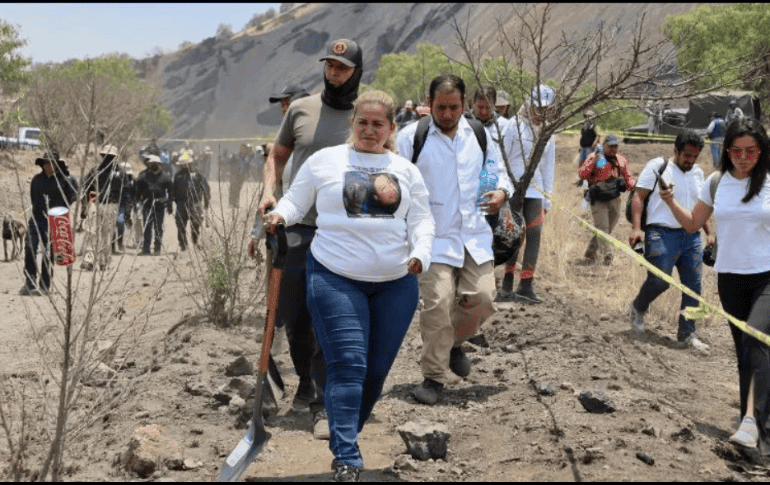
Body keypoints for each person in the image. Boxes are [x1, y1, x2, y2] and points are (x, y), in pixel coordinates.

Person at [264, 89, 434, 483]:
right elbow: (296, 201)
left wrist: (421, 252)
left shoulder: (406, 170)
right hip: (335, 276)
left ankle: (345, 432)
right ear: (352, 123)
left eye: (378, 124)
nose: (369, 130)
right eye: (363, 123)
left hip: (396, 284)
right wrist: (279, 216)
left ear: (391, 128)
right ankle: (346, 458)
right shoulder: (325, 161)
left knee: (375, 373)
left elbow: (422, 220)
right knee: (348, 363)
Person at [258, 38, 365, 440]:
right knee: (295, 315)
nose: (334, 73)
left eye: (343, 67)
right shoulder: (301, 109)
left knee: (328, 316)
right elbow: (277, 155)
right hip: (297, 225)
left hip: (343, 230)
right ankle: (305, 379)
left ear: (356, 72)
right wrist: (269, 191)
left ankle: (323, 401)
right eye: (330, 66)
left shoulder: (365, 114)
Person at [397, 73, 513, 405]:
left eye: (454, 107)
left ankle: (453, 344)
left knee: (484, 299)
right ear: (429, 103)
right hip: (431, 238)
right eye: (441, 107)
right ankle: (433, 377)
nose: (447, 114)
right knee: (437, 303)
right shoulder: (412, 138)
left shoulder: (477, 134)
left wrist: (499, 192)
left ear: (464, 105)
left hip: (473, 234)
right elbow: (397, 181)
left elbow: (494, 172)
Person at [656, 118, 770, 455]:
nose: (743, 158)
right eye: (736, 151)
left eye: (751, 151)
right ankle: (752, 433)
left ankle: (753, 424)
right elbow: (693, 223)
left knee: (755, 338)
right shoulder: (717, 182)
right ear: (727, 150)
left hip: (767, 277)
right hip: (731, 278)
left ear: (762, 151)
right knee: (746, 353)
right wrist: (669, 201)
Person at [628, 130, 713, 352]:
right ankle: (638, 307)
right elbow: (638, 197)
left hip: (691, 237)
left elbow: (699, 207)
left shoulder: (698, 173)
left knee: (694, 286)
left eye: (695, 156)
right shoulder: (658, 166)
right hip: (661, 232)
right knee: (660, 280)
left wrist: (709, 232)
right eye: (687, 155)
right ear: (676, 151)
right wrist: (636, 228)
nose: (690, 160)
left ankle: (688, 334)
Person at [497, 84, 557, 303]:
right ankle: (506, 285)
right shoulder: (513, 126)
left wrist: (547, 197)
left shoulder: (548, 132)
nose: (541, 113)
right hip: (513, 188)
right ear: (530, 105)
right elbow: (502, 158)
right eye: (538, 108)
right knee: (514, 236)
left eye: (546, 109)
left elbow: (548, 166)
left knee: (535, 235)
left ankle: (526, 285)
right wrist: (504, 188)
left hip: (536, 189)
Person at [20, 152, 78, 295]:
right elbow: (33, 198)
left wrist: (60, 210)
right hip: (36, 218)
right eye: (46, 163)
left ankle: (45, 285)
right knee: (30, 247)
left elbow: (72, 196)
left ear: (57, 165)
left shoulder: (64, 180)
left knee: (48, 252)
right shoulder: (36, 180)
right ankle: (29, 282)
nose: (49, 166)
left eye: (52, 163)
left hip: (54, 220)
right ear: (43, 165)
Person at [578, 134, 636, 265]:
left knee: (606, 230)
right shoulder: (594, 157)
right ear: (604, 145)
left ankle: (590, 254)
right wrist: (594, 160)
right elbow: (581, 174)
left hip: (614, 198)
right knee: (603, 228)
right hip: (598, 199)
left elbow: (627, 177)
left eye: (616, 146)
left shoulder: (621, 159)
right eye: (611, 146)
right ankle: (608, 256)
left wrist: (635, 187)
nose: (614, 148)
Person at [79, 145, 126, 270]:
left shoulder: (117, 173)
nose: (108, 158)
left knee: (103, 234)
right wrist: (85, 207)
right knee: (96, 233)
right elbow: (87, 189)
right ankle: (95, 261)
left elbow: (125, 192)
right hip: (98, 204)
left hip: (106, 205)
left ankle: (100, 261)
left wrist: (124, 209)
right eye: (106, 156)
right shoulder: (98, 171)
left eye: (110, 156)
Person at [135, 155, 173, 256]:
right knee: (147, 227)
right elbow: (138, 191)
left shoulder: (166, 176)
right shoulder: (143, 176)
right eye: (152, 164)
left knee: (158, 228)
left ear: (160, 165)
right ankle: (146, 250)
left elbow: (171, 191)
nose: (154, 165)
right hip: (147, 206)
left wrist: (170, 205)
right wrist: (137, 203)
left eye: (156, 164)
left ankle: (157, 249)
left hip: (160, 206)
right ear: (149, 165)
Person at [173, 152, 210, 251]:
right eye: (182, 165)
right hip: (181, 203)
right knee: (180, 225)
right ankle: (183, 246)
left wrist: (206, 203)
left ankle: (195, 242)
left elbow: (206, 189)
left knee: (195, 224)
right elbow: (174, 190)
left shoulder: (197, 175)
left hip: (195, 203)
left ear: (189, 164)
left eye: (185, 164)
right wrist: (177, 202)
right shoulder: (177, 176)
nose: (183, 166)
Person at [114, 161, 137, 254]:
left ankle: (120, 243)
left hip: (125, 204)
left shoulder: (133, 181)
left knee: (120, 223)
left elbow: (134, 194)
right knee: (114, 224)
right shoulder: (116, 178)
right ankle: (112, 246)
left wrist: (131, 206)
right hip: (115, 203)